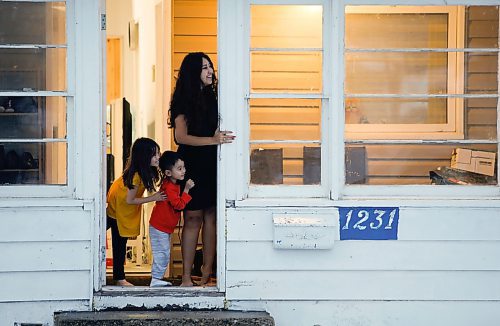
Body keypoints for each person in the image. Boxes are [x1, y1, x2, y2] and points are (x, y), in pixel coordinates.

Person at [169, 52, 235, 287]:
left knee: (211, 217)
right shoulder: (183, 100)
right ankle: (186, 277)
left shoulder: (214, 97)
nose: (210, 71)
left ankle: (208, 275)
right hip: (192, 163)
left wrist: (215, 142)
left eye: (211, 67)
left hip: (212, 162)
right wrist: (213, 140)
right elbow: (181, 136)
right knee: (193, 218)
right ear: (192, 72)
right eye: (204, 68)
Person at [106, 137, 166, 286]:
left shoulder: (142, 172)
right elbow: (129, 200)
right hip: (118, 210)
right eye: (155, 154)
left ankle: (119, 277)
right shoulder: (135, 177)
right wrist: (154, 198)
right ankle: (119, 278)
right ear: (144, 157)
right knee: (119, 244)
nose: (158, 157)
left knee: (120, 242)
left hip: (120, 209)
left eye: (158, 153)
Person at [149, 151, 195, 287]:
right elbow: (179, 205)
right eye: (179, 169)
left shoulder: (171, 184)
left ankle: (157, 278)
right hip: (159, 226)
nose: (183, 171)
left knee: (163, 252)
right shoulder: (169, 187)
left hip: (163, 227)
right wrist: (186, 189)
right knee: (162, 253)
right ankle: (156, 279)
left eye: (184, 168)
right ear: (168, 173)